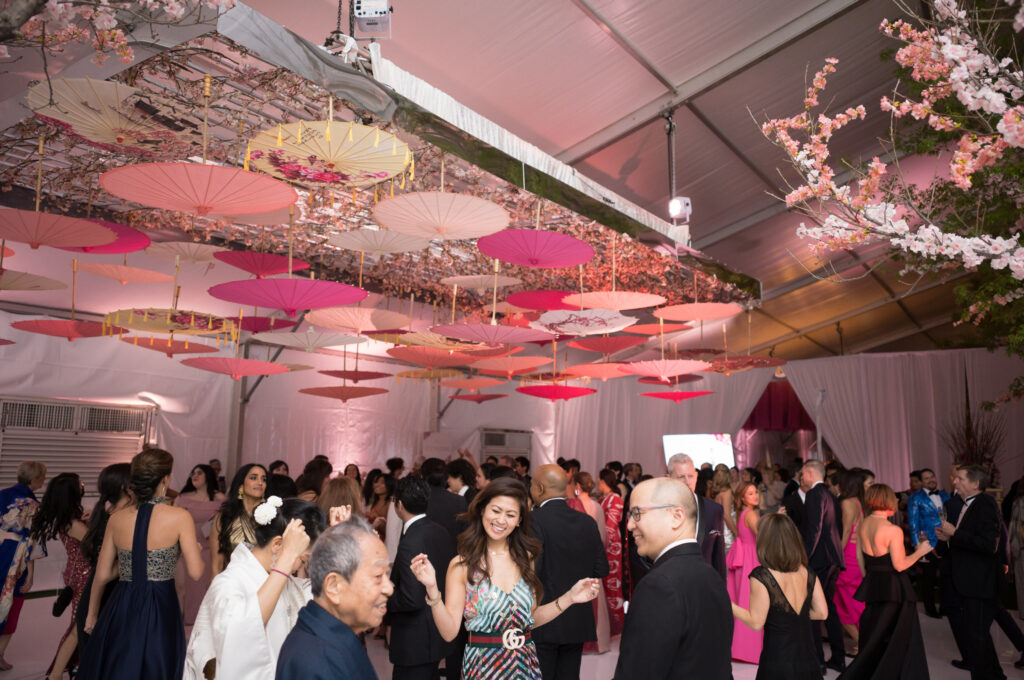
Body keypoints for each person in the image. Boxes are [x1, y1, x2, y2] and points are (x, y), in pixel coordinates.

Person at [410, 477, 600, 680]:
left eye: (510, 515)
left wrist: (570, 597)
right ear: (483, 509)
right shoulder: (462, 565)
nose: (501, 520)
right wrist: (432, 589)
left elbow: (530, 619)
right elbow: (449, 633)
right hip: (483, 669)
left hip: (525, 666)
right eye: (496, 511)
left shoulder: (527, 559)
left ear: (519, 521)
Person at [79, 448, 205, 680]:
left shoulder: (117, 518)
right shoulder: (179, 517)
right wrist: (192, 550)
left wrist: (92, 614)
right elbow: (196, 573)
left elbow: (103, 574)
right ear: (165, 479)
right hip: (160, 601)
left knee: (120, 663)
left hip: (123, 600)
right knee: (156, 664)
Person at [185, 497, 324, 680]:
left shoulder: (282, 579)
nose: (299, 568)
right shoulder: (229, 583)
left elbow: (320, 598)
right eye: (302, 559)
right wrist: (287, 558)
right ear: (277, 545)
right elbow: (240, 634)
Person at [613, 477, 732, 679]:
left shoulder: (658, 585)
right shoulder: (710, 575)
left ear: (676, 517)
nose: (630, 524)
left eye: (637, 513)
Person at [276, 517, 391, 680]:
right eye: (378, 576)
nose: (389, 588)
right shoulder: (314, 662)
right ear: (333, 586)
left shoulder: (336, 636)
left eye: (387, 574)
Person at [841, 483, 932, 679]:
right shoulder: (892, 530)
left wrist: (872, 578)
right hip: (894, 588)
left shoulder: (864, 523)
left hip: (874, 584)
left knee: (876, 635)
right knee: (897, 639)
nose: (897, 501)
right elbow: (900, 565)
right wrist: (920, 552)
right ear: (887, 500)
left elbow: (859, 558)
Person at [530, 466, 609, 676]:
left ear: (538, 487)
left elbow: (531, 572)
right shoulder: (587, 522)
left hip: (542, 617)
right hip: (577, 617)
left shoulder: (533, 520)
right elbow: (602, 568)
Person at [731, 513, 828, 680]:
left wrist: (728, 604)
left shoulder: (762, 576)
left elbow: (756, 622)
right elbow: (822, 613)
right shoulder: (807, 573)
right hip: (808, 657)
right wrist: (791, 617)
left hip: (778, 659)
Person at [936, 464, 1005, 680]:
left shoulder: (984, 503)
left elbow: (987, 544)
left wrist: (955, 533)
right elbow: (969, 541)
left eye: (960, 479)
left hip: (980, 583)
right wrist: (950, 539)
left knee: (976, 638)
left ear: (975, 483)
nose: (954, 482)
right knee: (978, 636)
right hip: (971, 581)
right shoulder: (970, 504)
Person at [387, 477, 456, 680]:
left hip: (414, 640)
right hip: (435, 634)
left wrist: (383, 600)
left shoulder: (411, 541)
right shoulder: (439, 531)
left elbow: (411, 599)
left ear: (399, 504)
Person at [31, 473, 90, 680]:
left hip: (77, 575)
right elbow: (97, 549)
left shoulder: (71, 519)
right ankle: (56, 674)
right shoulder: (75, 524)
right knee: (79, 627)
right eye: (80, 482)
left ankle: (74, 667)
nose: (83, 484)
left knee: (81, 626)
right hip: (84, 577)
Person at [76, 463, 131, 652]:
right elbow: (105, 571)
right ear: (126, 487)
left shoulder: (108, 514)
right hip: (104, 596)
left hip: (103, 594)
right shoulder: (118, 519)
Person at [799, 459, 846, 672]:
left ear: (809, 473)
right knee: (829, 609)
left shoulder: (814, 494)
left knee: (813, 611)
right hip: (834, 558)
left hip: (819, 560)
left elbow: (815, 529)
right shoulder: (831, 494)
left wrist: (805, 559)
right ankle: (838, 658)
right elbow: (839, 528)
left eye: (802, 474)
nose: (801, 478)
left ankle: (818, 662)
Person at [0, 460, 46, 671]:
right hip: (14, 562)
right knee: (11, 606)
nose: (44, 481)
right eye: (43, 477)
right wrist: (30, 575)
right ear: (35, 479)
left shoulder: (2, 494)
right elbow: (33, 544)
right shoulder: (33, 505)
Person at [175, 464, 227, 625]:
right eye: (193, 473)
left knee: (208, 588)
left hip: (211, 550)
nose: (194, 475)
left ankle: (205, 624)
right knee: (183, 588)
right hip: (188, 549)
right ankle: (183, 623)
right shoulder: (183, 497)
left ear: (208, 476)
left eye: (199, 473)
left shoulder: (220, 499)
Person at [667, 453, 726, 579]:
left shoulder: (714, 510)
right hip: (670, 584)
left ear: (697, 476)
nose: (688, 482)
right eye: (681, 477)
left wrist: (721, 591)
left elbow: (718, 556)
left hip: (705, 584)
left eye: (691, 476)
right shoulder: (660, 510)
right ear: (669, 478)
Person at [727, 481, 763, 663]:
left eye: (755, 492)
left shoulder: (743, 513)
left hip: (745, 557)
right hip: (751, 558)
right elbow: (762, 537)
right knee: (753, 602)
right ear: (742, 498)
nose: (755, 495)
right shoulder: (751, 515)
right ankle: (751, 650)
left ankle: (743, 648)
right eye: (750, 493)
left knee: (744, 600)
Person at [211, 463, 267, 577]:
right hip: (232, 584)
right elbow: (216, 565)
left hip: (264, 584)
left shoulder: (272, 517)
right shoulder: (224, 517)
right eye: (253, 478)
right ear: (241, 485)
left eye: (264, 479)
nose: (260, 482)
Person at [907, 467, 948, 618]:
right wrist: (917, 545)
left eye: (932, 476)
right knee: (929, 578)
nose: (931, 480)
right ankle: (930, 609)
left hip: (946, 541)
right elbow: (913, 523)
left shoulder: (945, 495)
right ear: (921, 482)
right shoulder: (915, 498)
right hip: (928, 543)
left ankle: (946, 607)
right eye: (926, 478)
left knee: (946, 576)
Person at [835, 468, 866, 651]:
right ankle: (861, 642)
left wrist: (836, 556)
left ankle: (861, 643)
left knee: (841, 606)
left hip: (846, 557)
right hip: (854, 556)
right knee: (853, 604)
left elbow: (846, 531)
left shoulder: (847, 502)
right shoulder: (857, 502)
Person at [595, 469, 625, 638]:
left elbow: (610, 527)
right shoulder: (604, 498)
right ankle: (610, 626)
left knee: (613, 585)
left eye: (598, 481)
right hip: (605, 545)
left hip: (612, 547)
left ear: (603, 481)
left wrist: (600, 546)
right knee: (606, 585)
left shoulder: (615, 498)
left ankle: (617, 625)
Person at [421, 458, 468, 545]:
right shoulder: (459, 501)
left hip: (421, 555)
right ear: (446, 478)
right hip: (451, 554)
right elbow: (465, 533)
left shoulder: (418, 499)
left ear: (422, 476)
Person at [709, 468, 737, 552]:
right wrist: (736, 532)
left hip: (720, 529)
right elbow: (726, 515)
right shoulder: (727, 492)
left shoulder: (716, 493)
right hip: (727, 531)